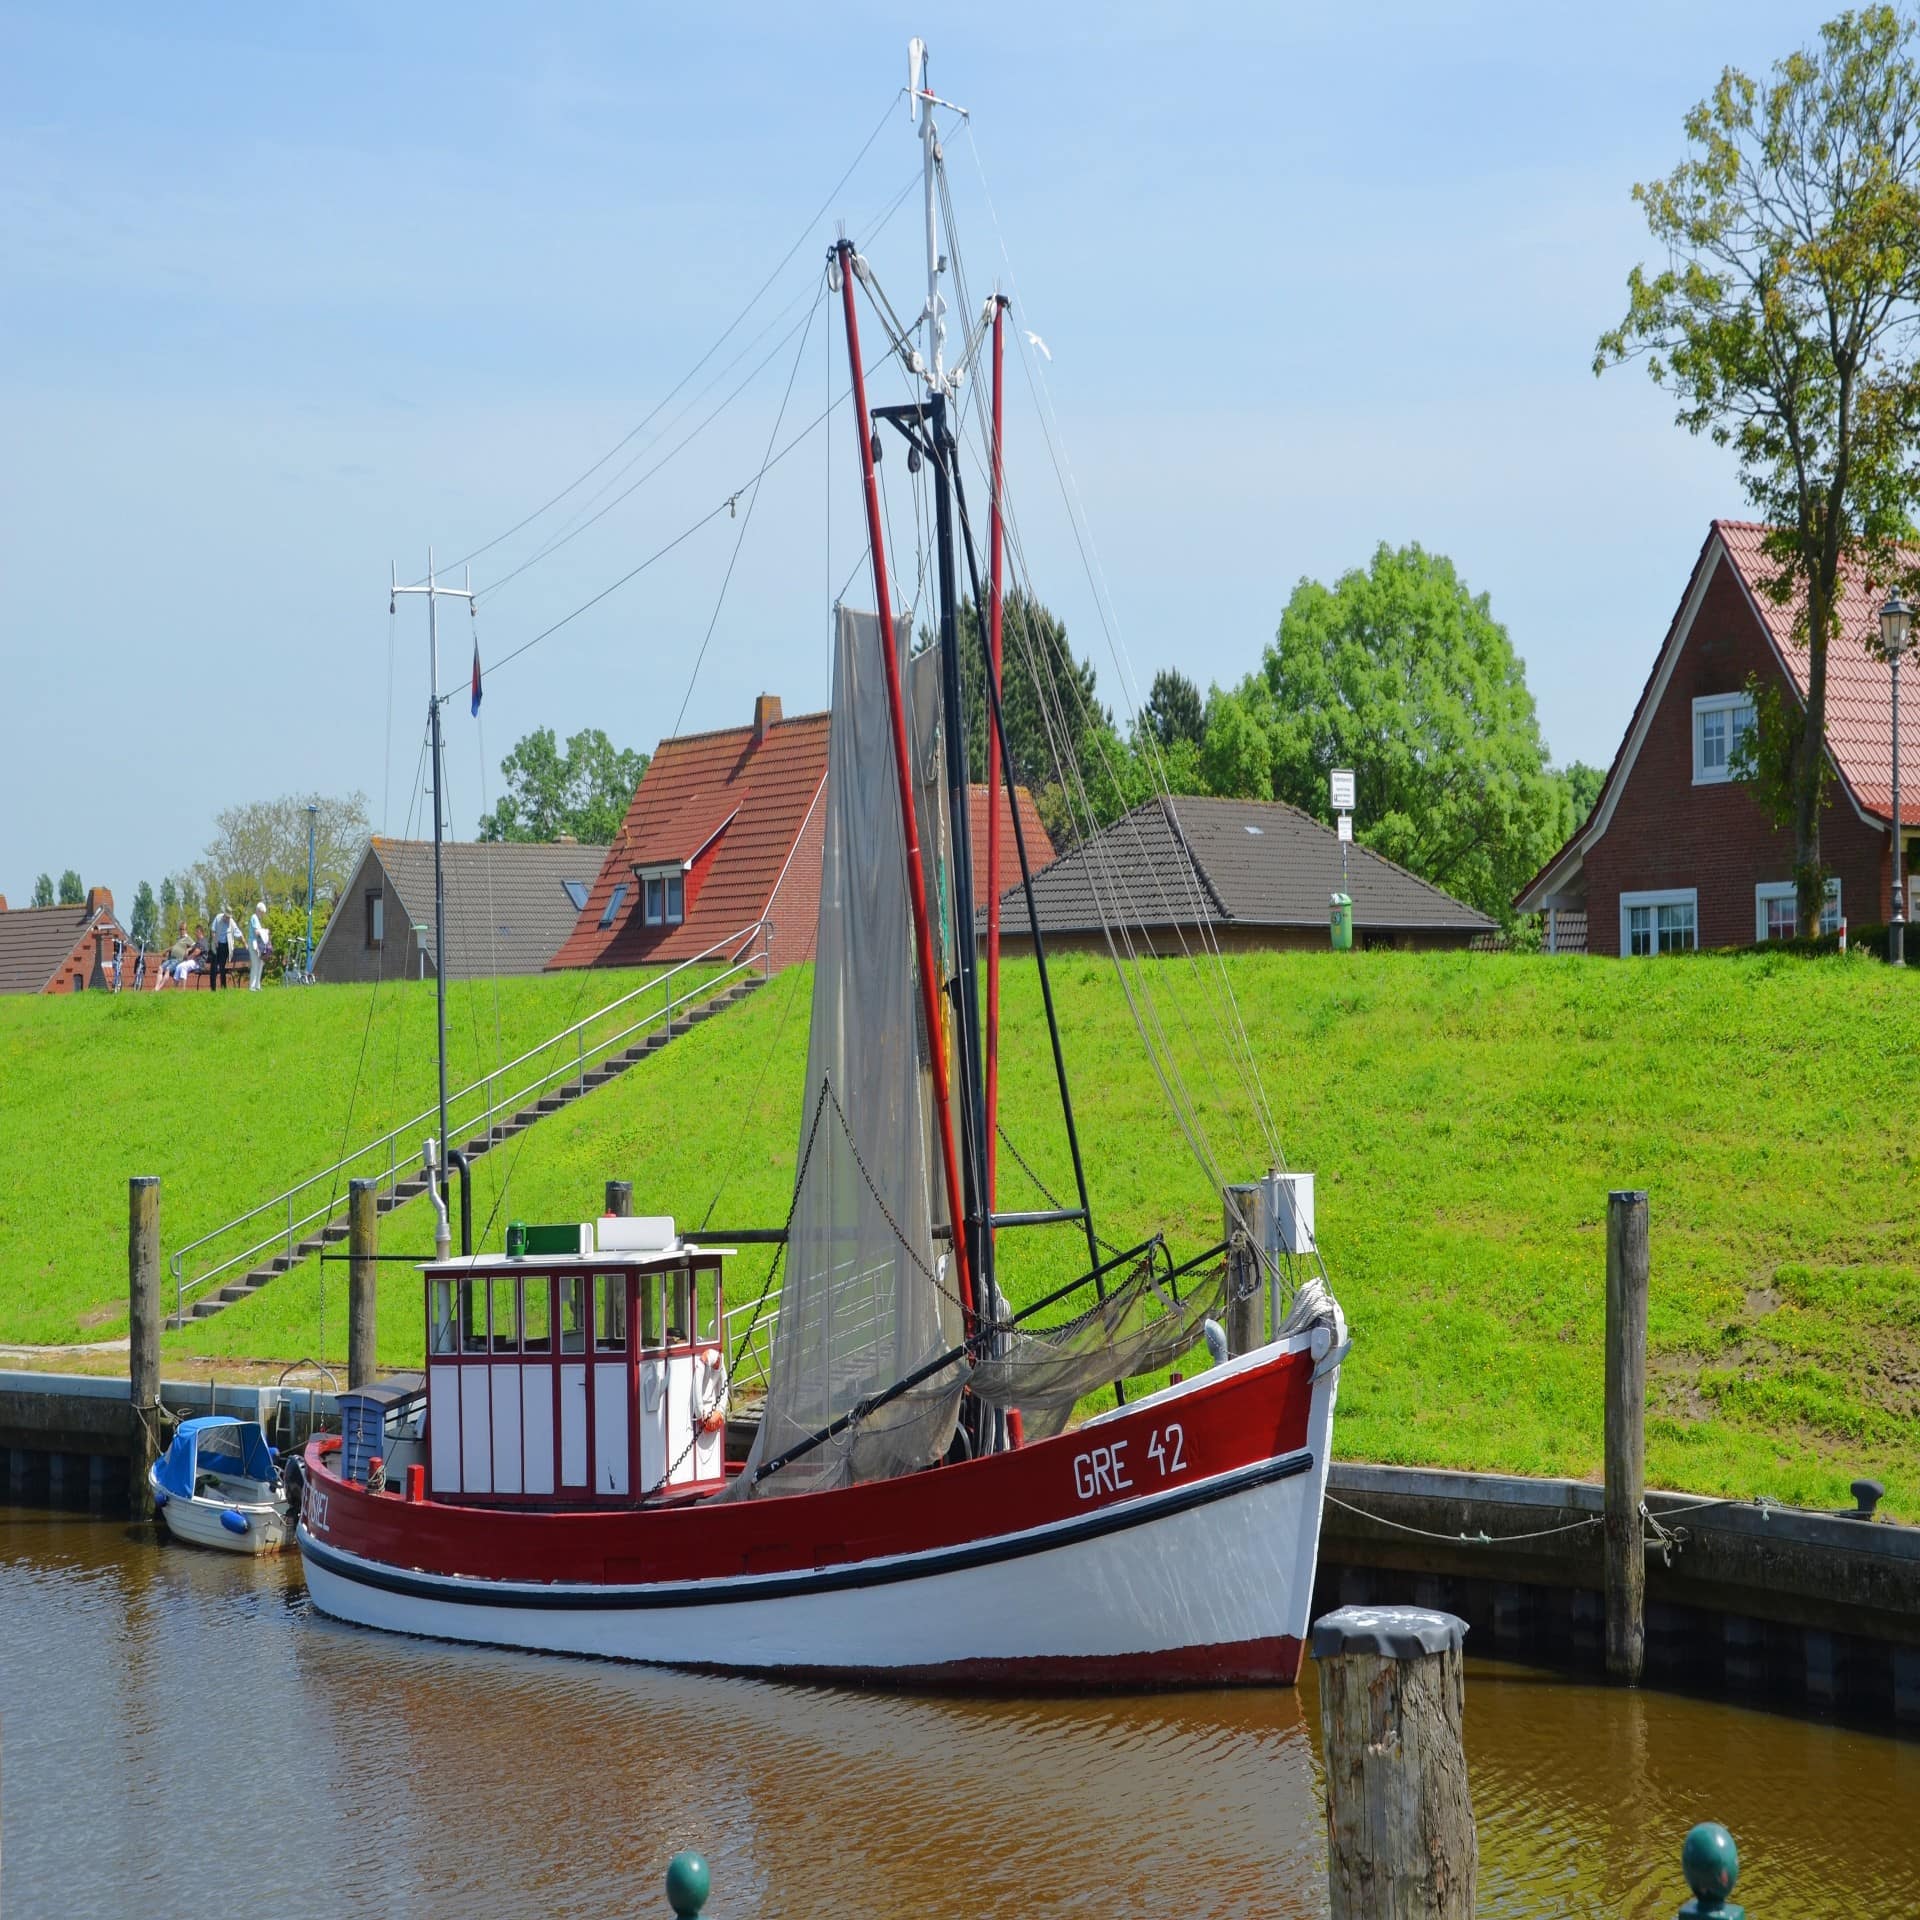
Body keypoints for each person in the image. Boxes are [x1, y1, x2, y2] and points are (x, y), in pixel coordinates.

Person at [247, 901, 272, 990]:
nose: (262, 915)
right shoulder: (254, 917)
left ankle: (257, 985)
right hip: (253, 943)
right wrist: (265, 931)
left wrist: (264, 931)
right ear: (258, 910)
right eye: (262, 912)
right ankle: (252, 986)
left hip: (258, 944)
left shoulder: (257, 919)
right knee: (255, 964)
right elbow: (256, 932)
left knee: (260, 963)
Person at [209, 905, 235, 991]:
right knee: (213, 967)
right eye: (227, 917)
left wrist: (244, 942)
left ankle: (224, 988)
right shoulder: (218, 918)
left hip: (225, 946)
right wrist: (215, 940)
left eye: (229, 917)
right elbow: (213, 930)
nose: (227, 918)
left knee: (222, 967)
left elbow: (237, 932)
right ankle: (213, 989)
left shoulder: (231, 922)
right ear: (224, 915)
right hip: (216, 945)